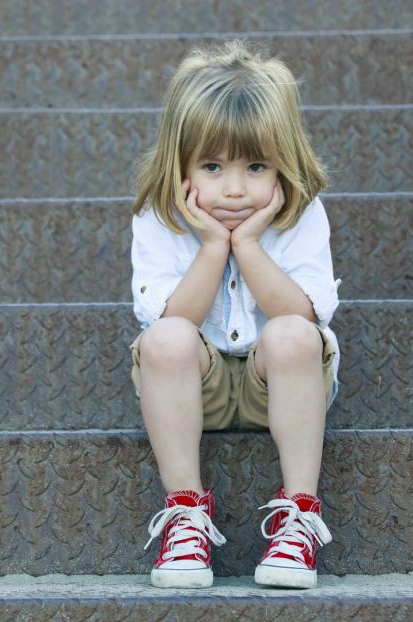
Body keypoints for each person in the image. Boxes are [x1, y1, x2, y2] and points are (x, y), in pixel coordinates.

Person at [130, 40, 341, 590]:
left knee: (295, 334)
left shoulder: (302, 213)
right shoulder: (160, 216)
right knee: (165, 339)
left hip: (279, 382)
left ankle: (299, 515)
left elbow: (301, 313)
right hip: (192, 386)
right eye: (212, 166)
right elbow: (171, 316)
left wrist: (247, 244)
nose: (233, 188)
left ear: (284, 163)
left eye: (255, 166)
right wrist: (210, 245)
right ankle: (184, 514)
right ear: (180, 165)